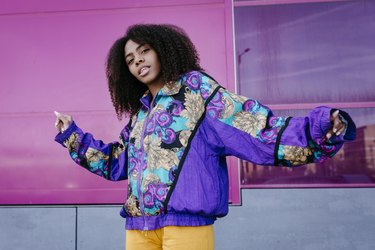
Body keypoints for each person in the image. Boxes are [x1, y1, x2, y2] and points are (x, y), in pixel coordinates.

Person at [54, 24, 356, 250]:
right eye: (131, 60)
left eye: (144, 50)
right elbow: (116, 163)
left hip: (185, 227)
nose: (138, 61)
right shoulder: (141, 114)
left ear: (163, 49)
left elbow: (254, 127)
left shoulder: (196, 91)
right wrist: (73, 137)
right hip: (137, 230)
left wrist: (317, 129)